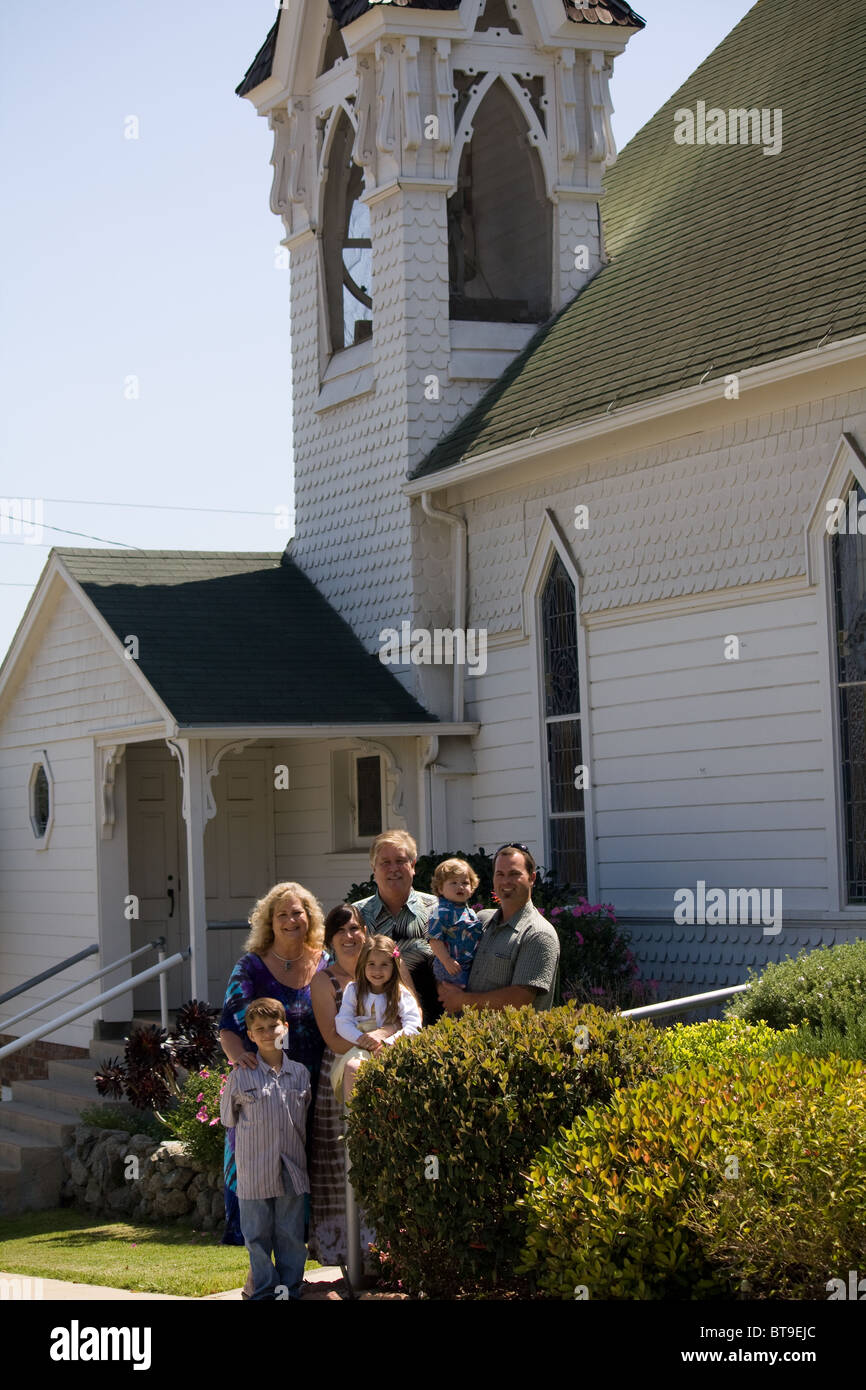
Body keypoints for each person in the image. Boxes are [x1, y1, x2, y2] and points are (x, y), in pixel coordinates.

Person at [218, 881, 328, 1249]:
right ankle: (258, 1260)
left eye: (298, 912)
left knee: (311, 1160)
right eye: (282, 914)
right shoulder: (250, 967)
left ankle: (310, 1244)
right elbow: (228, 1027)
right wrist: (241, 1061)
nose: (291, 920)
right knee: (261, 1162)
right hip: (263, 1083)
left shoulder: (324, 961)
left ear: (309, 917)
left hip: (316, 1083)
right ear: (269, 921)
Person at [220, 997, 311, 1301]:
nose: (268, 1033)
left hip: (292, 1169)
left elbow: (304, 1116)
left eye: (273, 1026)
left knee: (291, 1236)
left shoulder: (300, 1074)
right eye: (260, 1028)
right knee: (257, 1237)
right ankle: (263, 1293)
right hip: (254, 1170)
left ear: (285, 1027)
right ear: (250, 1034)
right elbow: (228, 1117)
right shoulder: (240, 1075)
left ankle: (288, 1291)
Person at [307, 903, 381, 1269]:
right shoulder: (324, 981)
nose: (351, 936)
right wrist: (373, 1043)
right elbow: (333, 1039)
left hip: (383, 1069)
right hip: (339, 1076)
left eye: (356, 928)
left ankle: (382, 1250)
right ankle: (344, 1251)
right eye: (342, 931)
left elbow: (410, 1014)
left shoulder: (383, 970)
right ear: (330, 939)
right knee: (342, 1163)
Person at [436, 844, 560, 1016]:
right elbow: (445, 951)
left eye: (514, 874)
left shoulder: (538, 934)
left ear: (532, 878)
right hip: (463, 1037)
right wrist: (443, 987)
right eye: (500, 874)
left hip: (507, 1041)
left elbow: (520, 1000)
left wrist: (462, 1001)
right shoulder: (481, 920)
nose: (505, 881)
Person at [352, 830, 440, 1025]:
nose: (394, 869)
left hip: (434, 1027)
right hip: (372, 1029)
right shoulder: (356, 917)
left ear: (413, 865)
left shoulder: (438, 911)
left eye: (400, 861)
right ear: (373, 868)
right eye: (385, 862)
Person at [333, 934, 422, 1100]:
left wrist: (388, 1042)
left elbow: (414, 1025)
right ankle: (353, 1120)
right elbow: (343, 1021)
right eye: (371, 964)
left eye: (384, 965)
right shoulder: (354, 989)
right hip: (361, 1045)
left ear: (393, 966)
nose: (377, 971)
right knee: (353, 1068)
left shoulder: (400, 993)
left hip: (390, 1046)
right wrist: (362, 1039)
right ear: (363, 965)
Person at [426, 857, 483, 990]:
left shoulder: (470, 912)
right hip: (449, 965)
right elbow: (434, 940)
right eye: (453, 883)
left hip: (466, 964)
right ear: (440, 889)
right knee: (457, 997)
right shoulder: (442, 912)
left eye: (465, 882)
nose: (460, 886)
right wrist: (446, 960)